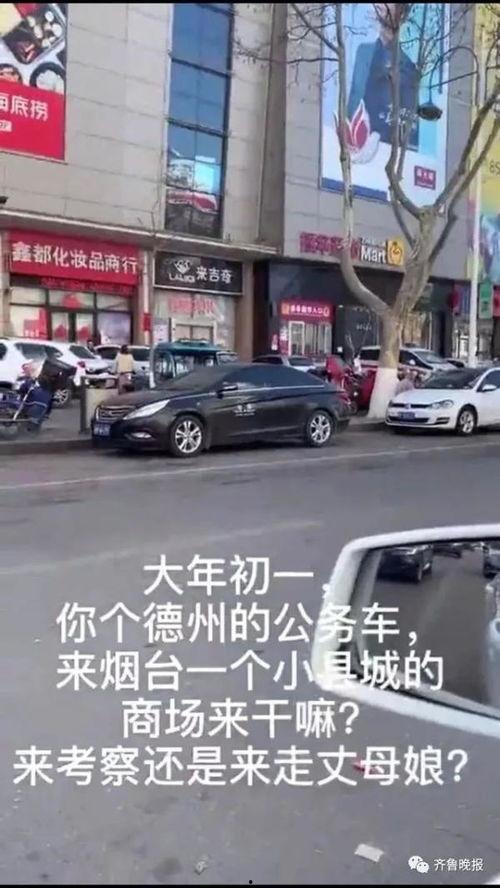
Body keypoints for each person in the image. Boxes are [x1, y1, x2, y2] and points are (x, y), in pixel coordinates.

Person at [347, 3, 419, 148]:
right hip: (354, 147)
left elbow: (409, 129)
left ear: (401, 14)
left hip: (383, 151)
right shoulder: (363, 53)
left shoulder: (408, 69)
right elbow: (352, 102)